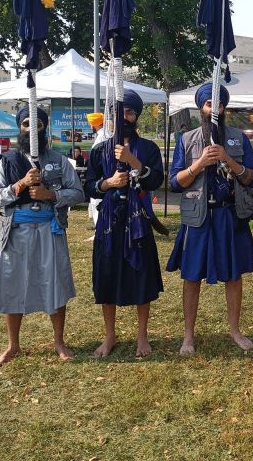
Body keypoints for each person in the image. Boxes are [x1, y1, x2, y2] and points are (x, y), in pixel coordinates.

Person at [0, 105, 84, 368]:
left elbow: (78, 193)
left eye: (38, 125)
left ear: (45, 127)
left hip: (49, 231)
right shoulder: (7, 161)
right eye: (27, 124)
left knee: (55, 283)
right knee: (11, 283)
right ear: (20, 127)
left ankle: (59, 341)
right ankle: (13, 345)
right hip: (15, 233)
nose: (32, 129)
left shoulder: (59, 160)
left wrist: (50, 195)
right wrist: (19, 185)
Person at [167, 83, 253, 355]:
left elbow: (251, 177)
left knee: (233, 275)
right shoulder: (186, 140)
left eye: (218, 105)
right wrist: (198, 165)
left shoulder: (239, 138)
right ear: (201, 108)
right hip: (198, 216)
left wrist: (228, 160)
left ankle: (234, 330)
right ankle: (188, 336)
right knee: (192, 276)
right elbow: (174, 182)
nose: (214, 110)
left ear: (224, 108)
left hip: (230, 215)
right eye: (209, 105)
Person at [85, 92, 165, 358]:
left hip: (139, 220)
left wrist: (133, 162)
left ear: (137, 116)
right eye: (120, 113)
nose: (124, 118)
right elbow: (90, 187)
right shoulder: (99, 150)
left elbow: (156, 181)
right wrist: (108, 183)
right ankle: (110, 336)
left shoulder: (150, 148)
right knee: (106, 276)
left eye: (130, 112)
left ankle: (142, 336)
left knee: (141, 275)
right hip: (109, 221)